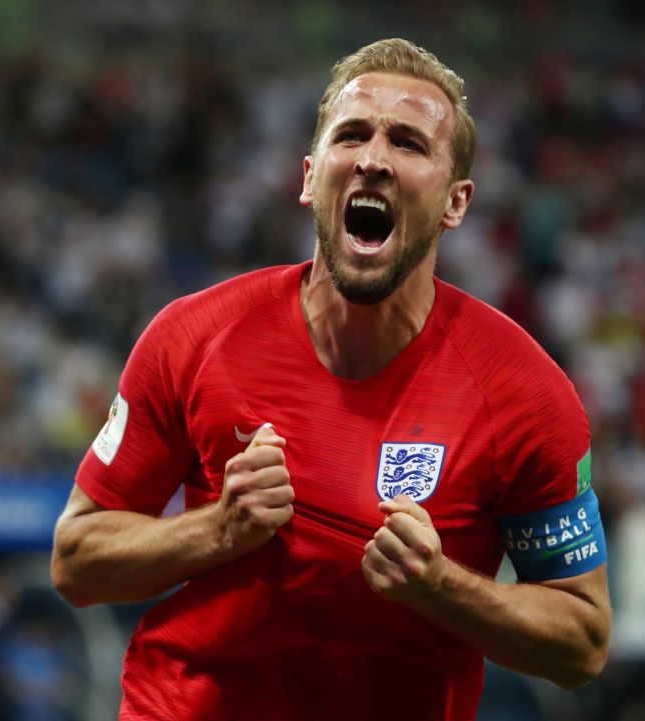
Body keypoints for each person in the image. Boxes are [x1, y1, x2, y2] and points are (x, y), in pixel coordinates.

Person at [51, 37, 611, 721]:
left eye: (408, 143)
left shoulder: (524, 395)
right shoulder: (194, 335)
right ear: (312, 176)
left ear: (455, 202)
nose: (373, 159)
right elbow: (76, 559)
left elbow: (582, 641)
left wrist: (441, 588)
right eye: (353, 135)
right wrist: (218, 530)